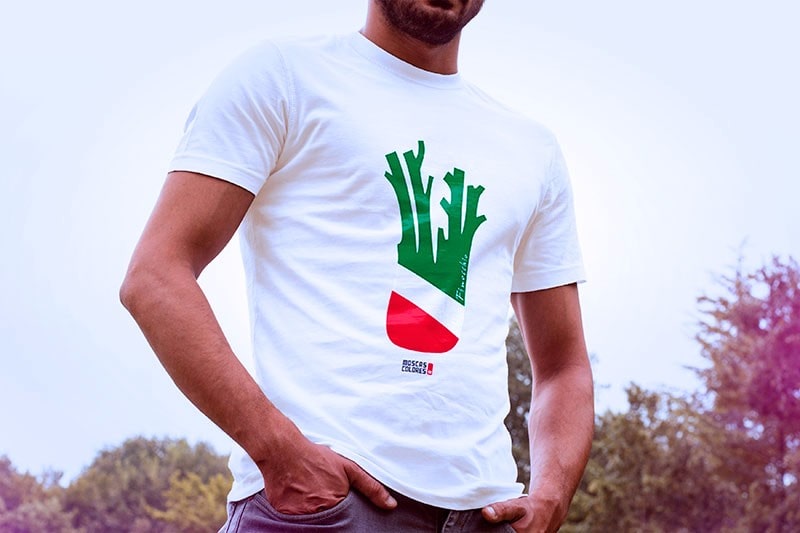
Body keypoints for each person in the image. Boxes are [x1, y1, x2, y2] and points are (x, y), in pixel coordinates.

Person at [120, 1, 594, 531]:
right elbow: (155, 276)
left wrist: (551, 497)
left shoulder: (531, 148)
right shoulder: (284, 77)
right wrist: (278, 449)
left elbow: (564, 366)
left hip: (486, 512)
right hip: (326, 506)